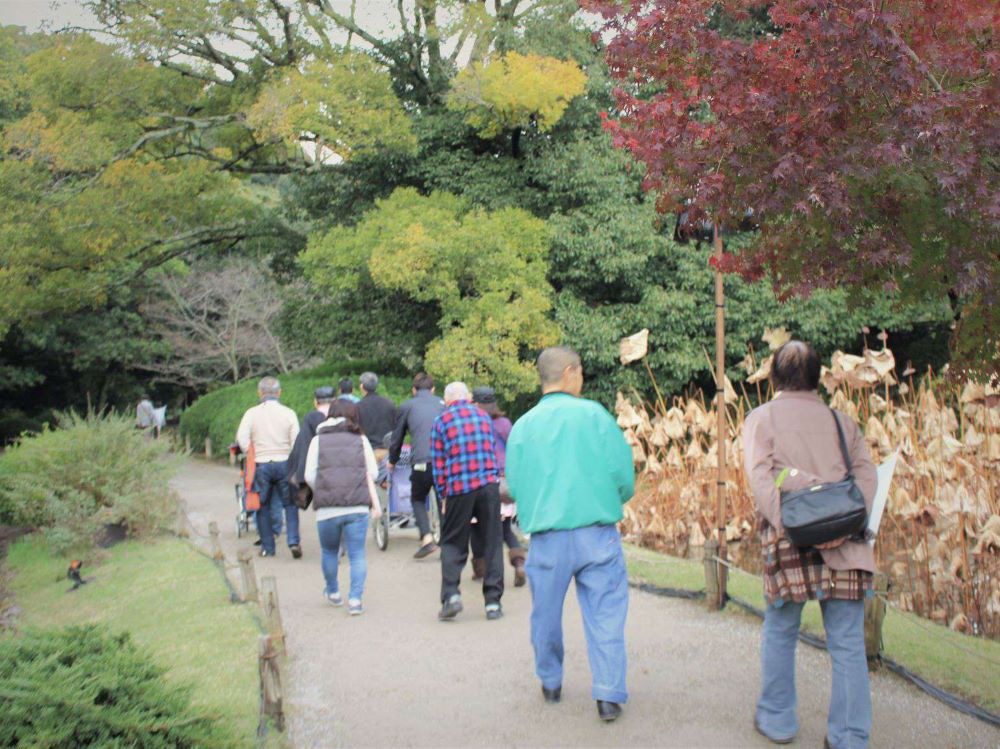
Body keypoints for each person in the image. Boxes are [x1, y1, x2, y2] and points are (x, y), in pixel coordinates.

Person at [744, 340, 877, 748]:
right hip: (846, 545)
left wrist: (793, 524)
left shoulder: (760, 418)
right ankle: (850, 736)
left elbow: (761, 479)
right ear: (818, 376)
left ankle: (778, 719)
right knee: (848, 642)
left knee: (782, 629)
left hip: (791, 544)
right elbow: (867, 480)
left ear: (774, 376)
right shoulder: (843, 422)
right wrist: (843, 522)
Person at [506, 346, 634, 723]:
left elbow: (516, 484)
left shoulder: (524, 426)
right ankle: (609, 693)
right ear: (569, 371)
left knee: (545, 614)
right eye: (580, 372)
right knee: (606, 613)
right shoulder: (594, 415)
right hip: (597, 531)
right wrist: (612, 498)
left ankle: (550, 681)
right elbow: (623, 476)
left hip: (547, 535)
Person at [431, 381, 503, 621]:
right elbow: (491, 449)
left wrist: (443, 495)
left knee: (452, 542)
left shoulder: (441, 421)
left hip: (459, 488)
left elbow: (438, 464)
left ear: (447, 399)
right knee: (492, 541)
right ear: (468, 397)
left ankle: (451, 595)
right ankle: (493, 603)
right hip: (488, 485)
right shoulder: (483, 417)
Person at [304, 400, 382, 616]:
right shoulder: (361, 439)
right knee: (357, 554)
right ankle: (355, 599)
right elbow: (373, 473)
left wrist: (324, 487)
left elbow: (309, 475)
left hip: (327, 508)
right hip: (357, 506)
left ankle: (333, 591)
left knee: (329, 551)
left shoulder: (317, 440)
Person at [236, 377, 301, 558]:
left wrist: (251, 451)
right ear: (279, 393)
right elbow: (297, 440)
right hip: (284, 463)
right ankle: (293, 541)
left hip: (261, 463)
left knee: (262, 506)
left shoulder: (251, 413)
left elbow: (242, 438)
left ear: (260, 393)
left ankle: (268, 547)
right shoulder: (289, 413)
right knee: (290, 504)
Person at [468, 386, 526, 587]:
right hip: (504, 482)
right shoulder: (504, 423)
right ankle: (519, 562)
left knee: (475, 527)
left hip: (482, 480)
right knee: (505, 529)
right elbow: (514, 449)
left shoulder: (473, 424)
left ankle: (481, 569)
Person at [388, 373, 445, 558]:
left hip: (420, 462)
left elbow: (397, 438)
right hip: (443, 462)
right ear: (433, 389)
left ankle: (427, 538)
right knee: (443, 500)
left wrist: (392, 460)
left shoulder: (407, 406)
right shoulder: (443, 404)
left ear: (413, 390)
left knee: (418, 498)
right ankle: (446, 544)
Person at [287, 386, 337, 507]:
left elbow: (302, 446)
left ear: (315, 402)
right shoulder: (342, 418)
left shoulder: (310, 419)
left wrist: (299, 474)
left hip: (319, 472)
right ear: (335, 401)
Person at [357, 371, 397, 461]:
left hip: (367, 451)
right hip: (387, 451)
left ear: (361, 386)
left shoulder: (358, 406)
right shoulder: (389, 403)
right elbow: (396, 426)